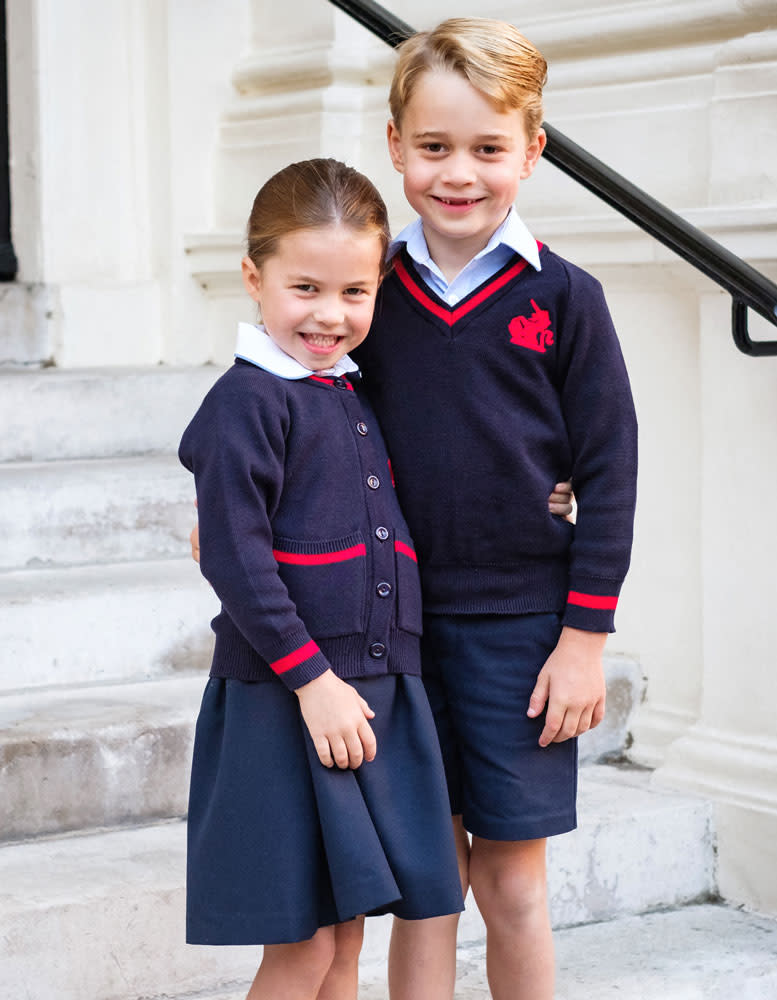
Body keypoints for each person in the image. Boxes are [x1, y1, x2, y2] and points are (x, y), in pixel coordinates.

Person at [347, 18, 639, 1000]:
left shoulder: (566, 299)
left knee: (510, 880)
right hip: (393, 630)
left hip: (523, 634)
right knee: (425, 886)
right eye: (433, 148)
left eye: (486, 148)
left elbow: (611, 469)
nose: (457, 173)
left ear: (533, 151)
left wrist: (585, 637)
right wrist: (228, 500)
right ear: (395, 146)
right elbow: (291, 407)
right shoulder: (367, 292)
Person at [178, 157, 465, 1000]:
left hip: (367, 691)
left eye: (354, 293)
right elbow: (234, 554)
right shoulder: (247, 403)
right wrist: (312, 681)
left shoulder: (347, 390)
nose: (328, 316)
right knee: (302, 950)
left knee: (344, 942)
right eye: (304, 287)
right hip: (287, 697)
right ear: (252, 277)